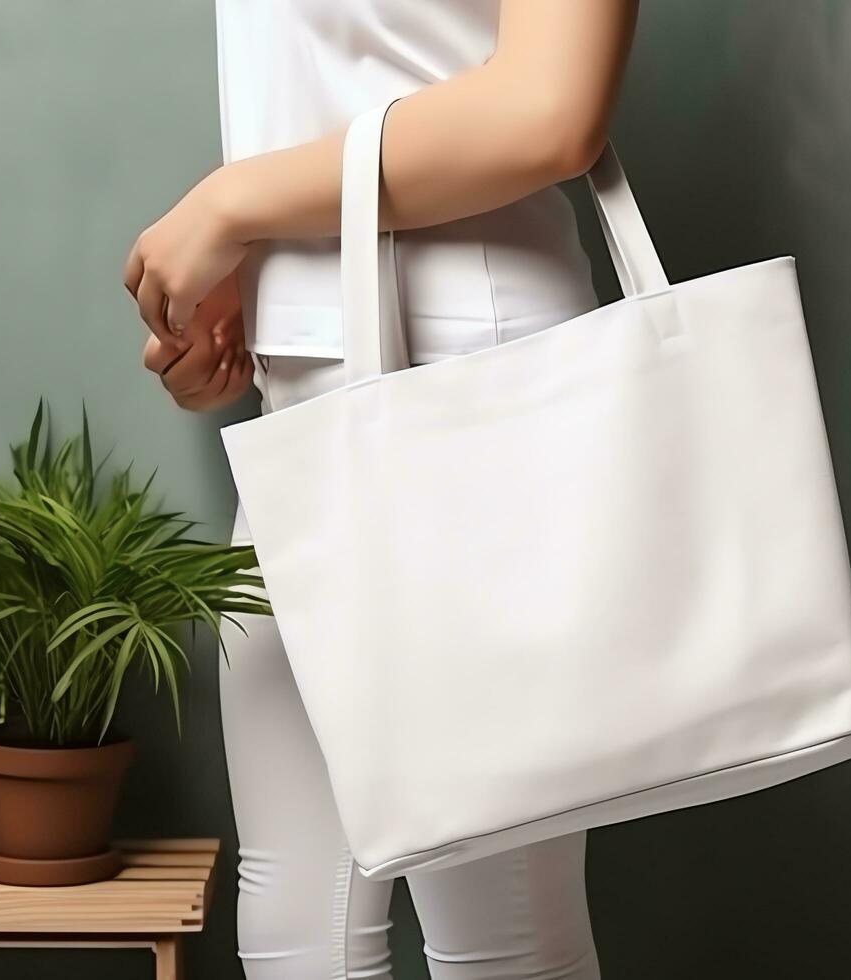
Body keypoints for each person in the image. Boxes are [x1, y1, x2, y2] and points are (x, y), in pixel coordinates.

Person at [124, 2, 638, 976]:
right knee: (295, 934)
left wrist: (234, 205)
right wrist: (269, 276)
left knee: (499, 941)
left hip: (473, 389)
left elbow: (551, 106)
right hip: (313, 396)